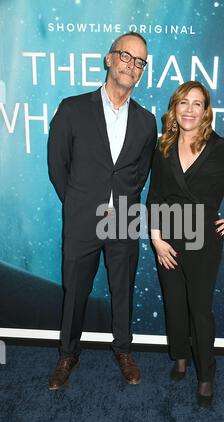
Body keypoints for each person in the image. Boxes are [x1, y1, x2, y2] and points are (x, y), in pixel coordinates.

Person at [147, 81, 224, 407]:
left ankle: (205, 375)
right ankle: (180, 357)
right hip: (168, 239)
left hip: (203, 242)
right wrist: (156, 238)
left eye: (197, 104)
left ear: (206, 110)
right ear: (175, 108)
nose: (189, 109)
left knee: (200, 311)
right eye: (183, 102)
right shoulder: (164, 147)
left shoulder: (223, 148)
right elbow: (156, 195)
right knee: (174, 303)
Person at [47, 32, 157, 390]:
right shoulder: (72, 108)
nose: (132, 66)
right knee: (74, 290)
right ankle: (68, 355)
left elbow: (140, 172)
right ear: (109, 59)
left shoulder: (146, 122)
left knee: (123, 289)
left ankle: (123, 351)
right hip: (82, 220)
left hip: (124, 221)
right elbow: (57, 165)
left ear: (142, 71)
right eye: (126, 56)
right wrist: (80, 203)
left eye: (139, 61)